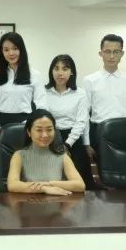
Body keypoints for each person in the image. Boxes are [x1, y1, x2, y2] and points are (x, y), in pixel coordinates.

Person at [0, 32, 47, 188]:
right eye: (6, 49)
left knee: (26, 172)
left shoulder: (34, 75)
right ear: (2, 52)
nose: (11, 53)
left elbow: (43, 106)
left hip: (26, 127)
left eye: (15, 48)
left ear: (21, 49)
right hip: (0, 127)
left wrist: (29, 126)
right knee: (0, 172)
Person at [82, 34, 126, 166]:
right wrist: (86, 143)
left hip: (125, 131)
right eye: (107, 51)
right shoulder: (89, 80)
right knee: (104, 170)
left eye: (116, 52)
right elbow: (84, 113)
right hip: (99, 132)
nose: (111, 56)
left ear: (122, 54)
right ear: (100, 53)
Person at [44, 54, 95, 189]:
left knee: (82, 183)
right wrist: (55, 142)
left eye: (65, 69)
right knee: (52, 181)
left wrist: (67, 144)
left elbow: (81, 122)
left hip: (73, 139)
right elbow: (43, 119)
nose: (60, 73)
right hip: (49, 138)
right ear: (51, 71)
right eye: (56, 68)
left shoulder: (80, 93)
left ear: (71, 72)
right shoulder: (44, 92)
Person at [7, 109, 85, 195]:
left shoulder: (62, 156)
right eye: (39, 130)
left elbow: (80, 185)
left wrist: (49, 184)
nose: (45, 135)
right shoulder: (19, 156)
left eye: (49, 129)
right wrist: (44, 189)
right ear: (29, 132)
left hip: (57, 202)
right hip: (29, 202)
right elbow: (12, 185)